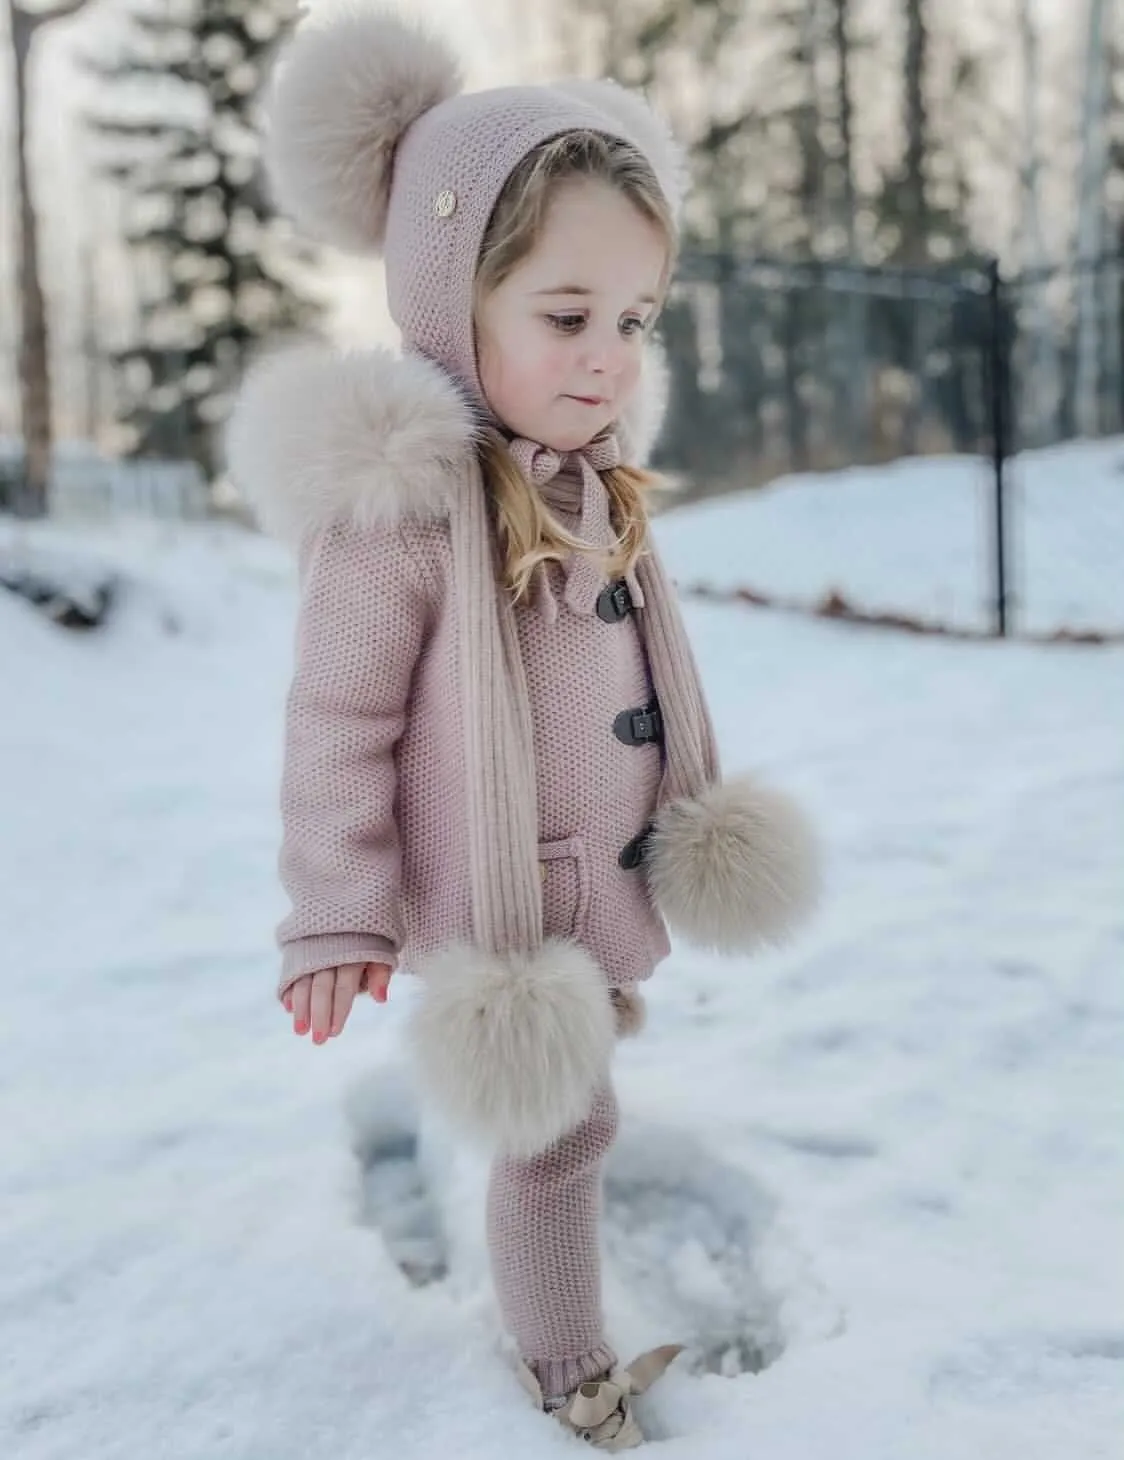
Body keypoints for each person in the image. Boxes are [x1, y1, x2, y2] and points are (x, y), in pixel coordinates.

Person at [227, 7, 819, 1448]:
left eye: (635, 320)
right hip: (509, 895)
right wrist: (337, 911)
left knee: (572, 1105)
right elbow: (337, 718)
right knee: (564, 1132)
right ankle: (565, 1373)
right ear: (451, 301)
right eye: (567, 318)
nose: (609, 358)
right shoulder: (406, 510)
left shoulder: (591, 480)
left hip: (587, 874)